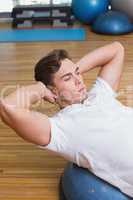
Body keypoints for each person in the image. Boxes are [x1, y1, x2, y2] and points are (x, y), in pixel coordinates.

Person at [0, 42, 133, 199]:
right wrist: (41, 89)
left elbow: (117, 49)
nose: (79, 81)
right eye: (68, 78)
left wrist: (72, 69)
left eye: (78, 73)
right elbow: (7, 107)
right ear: (53, 90)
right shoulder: (61, 128)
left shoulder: (100, 94)